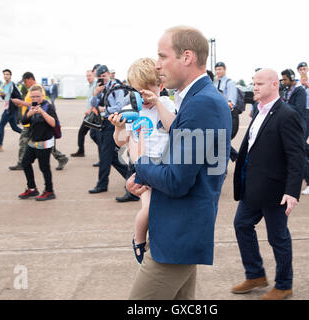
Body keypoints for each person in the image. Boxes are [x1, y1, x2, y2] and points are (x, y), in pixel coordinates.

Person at [126, 26, 231, 300]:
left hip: (177, 237)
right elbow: (183, 160)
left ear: (187, 57)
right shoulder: (197, 100)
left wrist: (140, 164)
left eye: (162, 56)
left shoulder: (202, 104)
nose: (158, 66)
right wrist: (146, 176)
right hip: (180, 232)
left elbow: (177, 180)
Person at [232, 69, 304, 300]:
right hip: (253, 187)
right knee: (242, 225)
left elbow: (296, 156)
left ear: (274, 85)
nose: (254, 87)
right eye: (253, 83)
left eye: (259, 83)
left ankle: (284, 285)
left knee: (278, 238)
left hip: (275, 190)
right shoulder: (259, 112)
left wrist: (292, 192)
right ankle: (255, 275)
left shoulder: (286, 114)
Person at [108, 57, 177, 264]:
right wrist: (118, 127)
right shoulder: (132, 111)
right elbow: (120, 143)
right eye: (138, 91)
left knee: (164, 212)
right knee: (148, 208)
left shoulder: (165, 104)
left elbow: (172, 127)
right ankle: (138, 239)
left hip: (164, 166)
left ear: (161, 86)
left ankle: (156, 241)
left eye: (149, 90)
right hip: (143, 168)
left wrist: (157, 103)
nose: (143, 96)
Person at [88, 65, 133, 202]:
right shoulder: (101, 88)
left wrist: (104, 108)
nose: (102, 79)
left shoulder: (117, 87)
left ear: (109, 74)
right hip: (102, 122)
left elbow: (119, 106)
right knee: (111, 156)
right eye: (100, 77)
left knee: (105, 154)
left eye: (104, 76)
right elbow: (92, 103)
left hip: (111, 123)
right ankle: (131, 177)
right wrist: (95, 94)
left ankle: (102, 184)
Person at [10, 72, 68, 171]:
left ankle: (22, 163)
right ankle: (61, 158)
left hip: (37, 121)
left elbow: (39, 103)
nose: (25, 84)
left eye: (25, 81)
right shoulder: (31, 89)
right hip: (30, 121)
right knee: (33, 144)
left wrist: (21, 103)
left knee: (35, 144)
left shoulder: (37, 88)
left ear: (30, 79)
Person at [18, 85, 58, 201]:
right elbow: (23, 121)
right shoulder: (31, 107)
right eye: (32, 97)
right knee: (25, 163)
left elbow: (53, 123)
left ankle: (49, 191)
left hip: (44, 142)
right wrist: (29, 114)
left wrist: (42, 112)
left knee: (44, 167)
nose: (35, 99)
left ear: (43, 95)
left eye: (37, 96)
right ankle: (32, 188)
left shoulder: (48, 107)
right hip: (33, 141)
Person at [281, 69, 309, 195]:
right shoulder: (286, 90)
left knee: (300, 155)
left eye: (285, 79)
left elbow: (299, 109)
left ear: (291, 78)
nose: (283, 82)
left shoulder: (300, 91)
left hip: (297, 127)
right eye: (282, 79)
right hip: (288, 126)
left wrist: (282, 105)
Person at [0, 69, 23, 152]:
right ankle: (29, 136)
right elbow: (2, 96)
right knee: (14, 127)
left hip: (10, 109)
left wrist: (13, 103)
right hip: (8, 108)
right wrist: (1, 95)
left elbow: (19, 97)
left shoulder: (12, 85)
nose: (5, 76)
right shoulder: (4, 85)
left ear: (10, 76)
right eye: (4, 74)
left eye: (7, 74)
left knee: (0, 126)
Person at [214, 61, 239, 162]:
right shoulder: (215, 83)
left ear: (225, 69)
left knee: (222, 140)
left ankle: (235, 158)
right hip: (219, 115)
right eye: (216, 69)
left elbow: (231, 102)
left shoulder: (229, 83)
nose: (218, 71)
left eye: (220, 69)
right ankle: (235, 157)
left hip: (229, 115)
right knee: (220, 140)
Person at [71, 70, 97, 157]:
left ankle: (108, 152)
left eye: (90, 76)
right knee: (84, 133)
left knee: (94, 135)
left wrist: (90, 109)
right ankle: (81, 150)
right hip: (89, 114)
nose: (88, 78)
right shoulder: (90, 86)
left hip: (93, 114)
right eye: (87, 76)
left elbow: (97, 99)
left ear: (94, 75)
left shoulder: (95, 85)